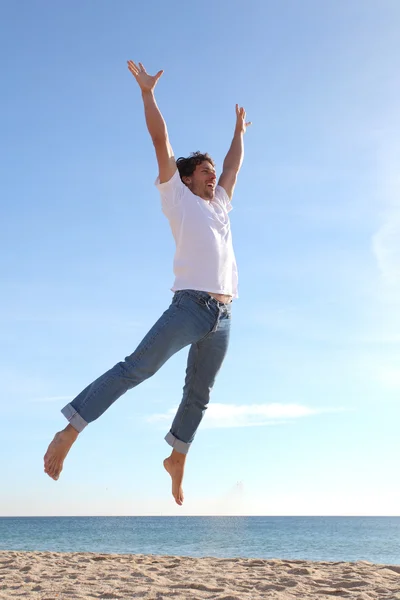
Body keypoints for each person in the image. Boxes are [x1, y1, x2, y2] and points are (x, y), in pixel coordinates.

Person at [44, 61, 251, 505]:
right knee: (137, 369)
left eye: (214, 172)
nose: (214, 176)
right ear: (188, 177)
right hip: (190, 307)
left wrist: (239, 135)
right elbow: (161, 140)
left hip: (224, 315)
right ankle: (70, 430)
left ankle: (177, 455)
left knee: (200, 393)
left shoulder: (220, 206)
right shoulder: (176, 197)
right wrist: (147, 94)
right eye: (206, 171)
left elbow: (234, 168)